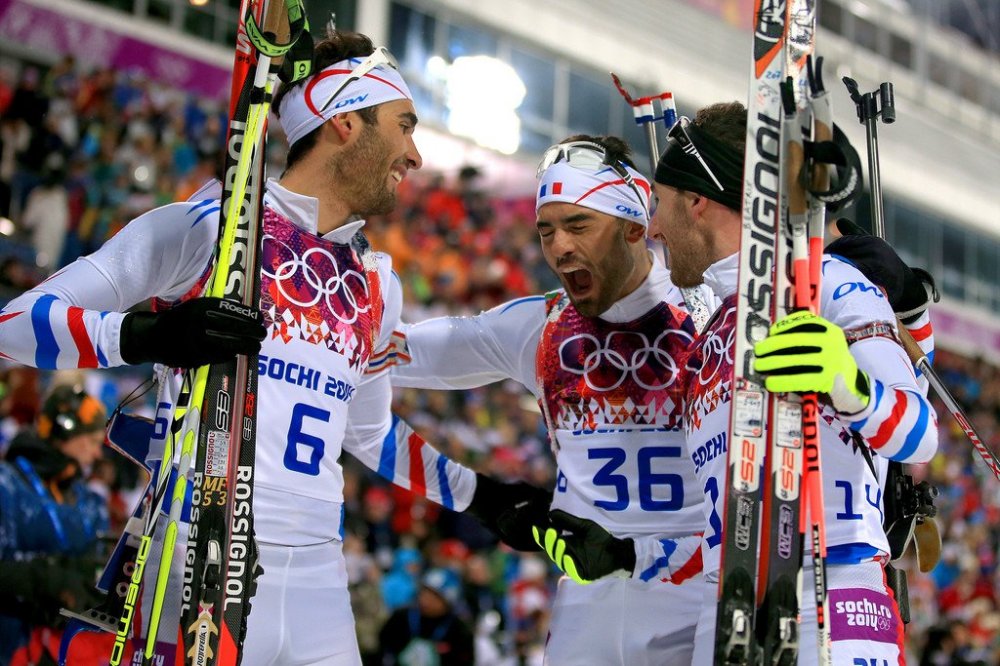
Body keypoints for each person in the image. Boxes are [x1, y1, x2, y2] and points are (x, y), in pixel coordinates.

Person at [0, 29, 541, 665]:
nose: (416, 154)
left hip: (320, 574)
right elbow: (15, 322)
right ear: (344, 122)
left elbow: (368, 434)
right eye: (404, 125)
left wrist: (480, 496)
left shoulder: (375, 281)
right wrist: (148, 335)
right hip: (200, 559)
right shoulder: (207, 230)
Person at [389, 135, 710, 664]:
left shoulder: (708, 318)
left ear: (634, 226)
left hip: (697, 594)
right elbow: (397, 353)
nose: (559, 246)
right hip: (588, 599)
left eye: (579, 225)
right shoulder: (541, 326)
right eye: (546, 230)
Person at [645, 101, 939, 665]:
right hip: (726, 614)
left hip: (833, 596)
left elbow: (919, 433)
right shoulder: (711, 337)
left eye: (661, 204)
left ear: (699, 202)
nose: (654, 228)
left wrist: (847, 382)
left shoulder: (828, 281)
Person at [0, 384, 108, 664]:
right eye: (94, 441)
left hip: (59, 651)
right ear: (66, 432)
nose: (98, 455)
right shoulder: (7, 485)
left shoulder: (89, 502)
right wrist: (46, 578)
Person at [377, 567, 474, 666]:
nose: (425, 600)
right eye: (424, 593)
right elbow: (383, 648)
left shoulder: (458, 630)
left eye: (434, 596)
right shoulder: (402, 618)